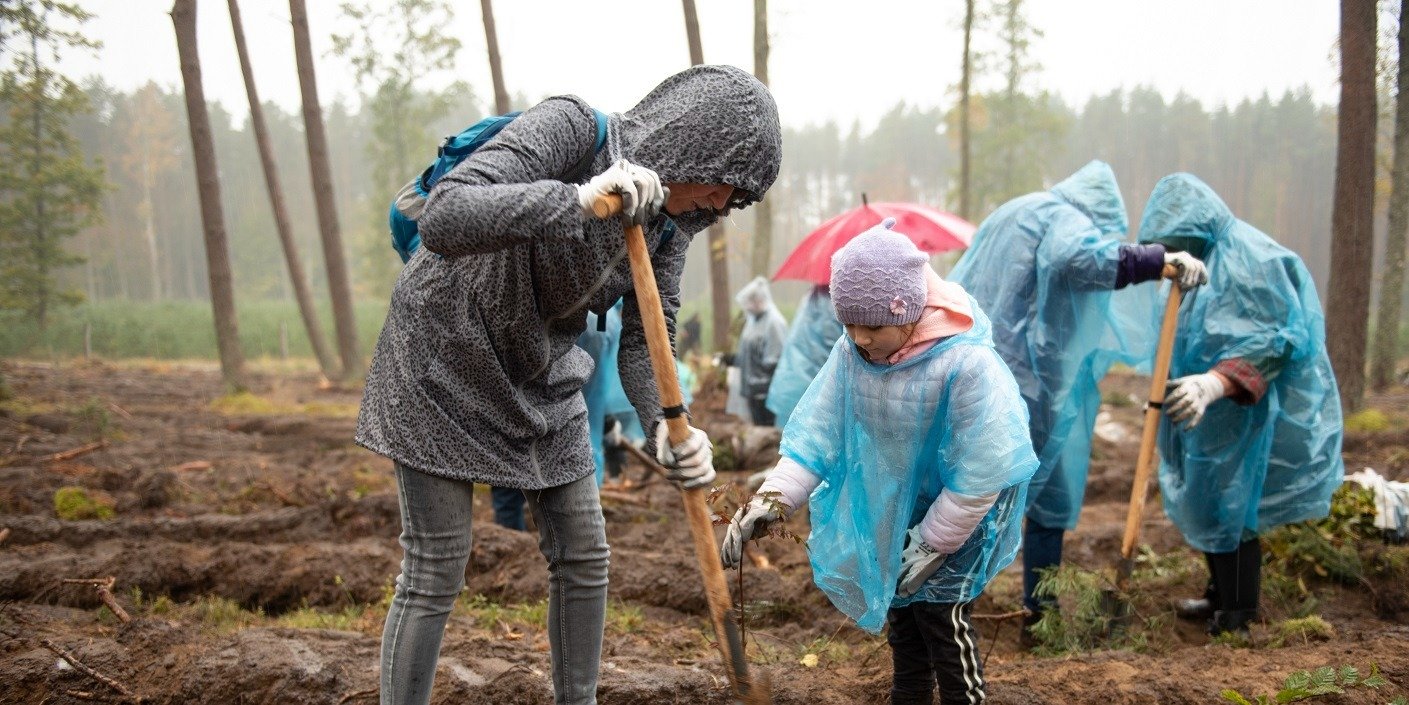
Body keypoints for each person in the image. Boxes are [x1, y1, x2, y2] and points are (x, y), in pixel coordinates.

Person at [355, 65, 782, 705]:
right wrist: (578, 199)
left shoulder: (667, 222)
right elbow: (446, 217)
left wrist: (669, 428)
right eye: (726, 184)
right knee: (436, 566)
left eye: (737, 197)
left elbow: (648, 339)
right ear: (696, 142)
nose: (722, 204)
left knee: (584, 556)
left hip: (542, 371)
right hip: (444, 357)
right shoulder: (570, 128)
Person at [721, 219, 1038, 705]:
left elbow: (984, 468)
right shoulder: (851, 354)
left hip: (959, 516)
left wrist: (935, 542)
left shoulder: (966, 365)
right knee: (905, 626)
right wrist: (772, 501)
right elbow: (818, 438)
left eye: (872, 326)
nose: (859, 337)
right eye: (848, 324)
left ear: (908, 311)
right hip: (897, 509)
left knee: (942, 622)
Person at [946, 160, 1208, 636]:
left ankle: (979, 610)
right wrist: (1158, 261)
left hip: (982, 370)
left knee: (986, 491)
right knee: (1012, 495)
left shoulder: (1019, 210)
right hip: (1023, 381)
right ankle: (1015, 613)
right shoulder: (1064, 217)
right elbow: (1079, 259)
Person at [1137, 173, 1343, 637]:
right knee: (1210, 500)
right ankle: (1218, 595)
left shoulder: (1253, 260)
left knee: (1236, 506)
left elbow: (1280, 340)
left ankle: (1240, 614)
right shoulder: (1199, 263)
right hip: (1201, 411)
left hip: (1240, 411)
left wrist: (1216, 383)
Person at [765, 284, 844, 427]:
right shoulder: (835, 300)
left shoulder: (811, 295)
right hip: (810, 387)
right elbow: (834, 347)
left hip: (789, 381)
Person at [732, 276, 789, 426]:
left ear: (760, 300)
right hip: (752, 390)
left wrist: (760, 382)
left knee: (767, 433)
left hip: (766, 392)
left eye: (751, 302)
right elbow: (748, 351)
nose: (748, 307)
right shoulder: (754, 320)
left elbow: (775, 358)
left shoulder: (774, 323)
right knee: (757, 430)